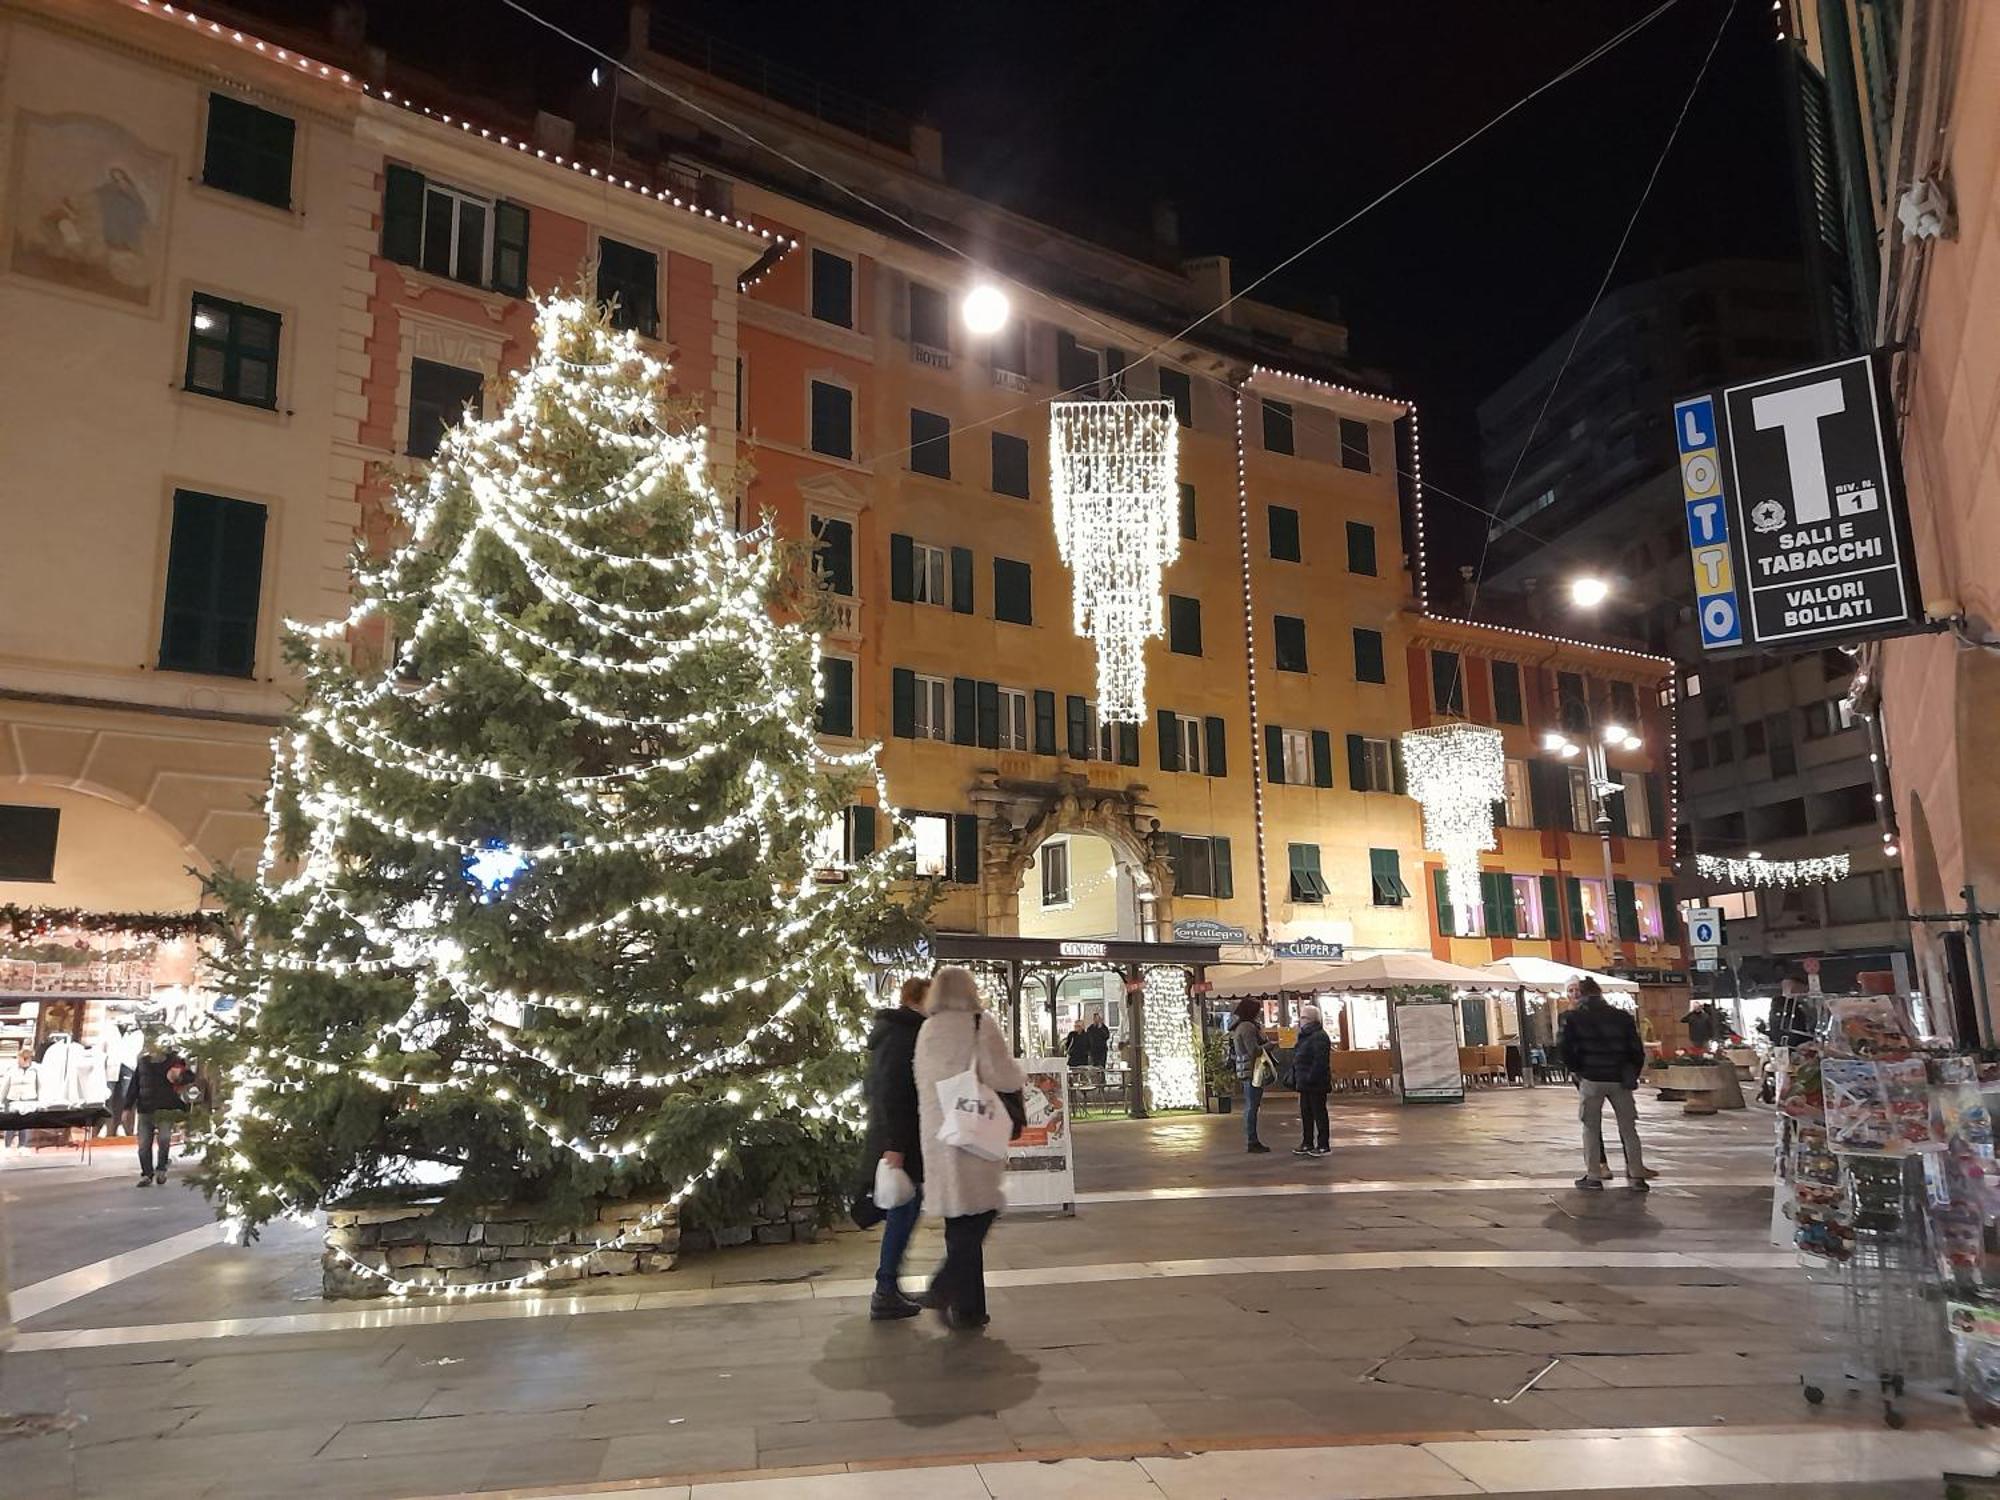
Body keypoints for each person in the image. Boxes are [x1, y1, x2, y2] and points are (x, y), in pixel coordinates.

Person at [914, 965, 1026, 1331]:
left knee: (957, 1220)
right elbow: (1000, 1074)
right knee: (983, 1209)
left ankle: (970, 1308)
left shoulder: (927, 1029)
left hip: (938, 1132)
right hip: (973, 1128)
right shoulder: (979, 1023)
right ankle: (945, 1284)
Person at [859, 976, 929, 1320]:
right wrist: (897, 1145)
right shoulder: (905, 1035)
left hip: (897, 1138)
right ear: (919, 998)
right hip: (900, 1141)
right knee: (904, 1209)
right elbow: (895, 1093)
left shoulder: (893, 1032)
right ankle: (885, 1288)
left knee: (906, 1208)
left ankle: (889, 1285)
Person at [1559, 978, 1651, 1193]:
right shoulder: (1622, 1017)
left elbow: (1564, 1048)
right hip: (1619, 1078)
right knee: (1629, 1128)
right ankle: (1637, 1175)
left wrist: (1576, 1069)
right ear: (1600, 993)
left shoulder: (1572, 1018)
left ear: (1580, 994)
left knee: (1590, 1127)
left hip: (1591, 1078)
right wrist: (1632, 1073)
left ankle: (1594, 1176)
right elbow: (1637, 1050)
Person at [127, 1042, 187, 1187]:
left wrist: (180, 1075)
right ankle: (147, 1174)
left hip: (165, 1108)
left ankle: (161, 1170)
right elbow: (135, 1084)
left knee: (164, 1139)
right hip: (145, 1108)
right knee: (143, 1145)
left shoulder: (173, 1060)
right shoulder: (142, 1062)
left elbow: (188, 1077)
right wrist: (127, 1107)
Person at [1228, 998, 1273, 1153]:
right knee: (1252, 1106)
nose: (1259, 1012)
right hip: (1252, 1069)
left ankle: (1252, 1139)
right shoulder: (1247, 1027)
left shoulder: (1240, 1026)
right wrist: (1270, 1045)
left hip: (1245, 1068)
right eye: (1257, 1010)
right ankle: (1252, 1140)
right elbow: (1253, 1050)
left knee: (1251, 1105)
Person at [1290, 1004, 1332, 1159]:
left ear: (1310, 1019)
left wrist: (1310, 1077)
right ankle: (1307, 1142)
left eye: (1302, 1017)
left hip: (1315, 1083)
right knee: (1306, 1113)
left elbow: (1320, 1061)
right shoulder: (1304, 1035)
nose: (1299, 1020)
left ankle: (1323, 1144)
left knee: (1319, 1113)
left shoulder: (1319, 1036)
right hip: (1304, 1082)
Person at [0, 1047, 40, 1149]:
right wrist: (1, 1100)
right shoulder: (12, 1069)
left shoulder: (36, 1070)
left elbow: (40, 1086)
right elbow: (5, 1086)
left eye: (22, 1058)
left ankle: (23, 1146)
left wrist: (40, 1102)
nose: (19, 1060)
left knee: (25, 1125)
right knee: (10, 1124)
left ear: (28, 1058)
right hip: (13, 1099)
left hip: (29, 1100)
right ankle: (8, 1146)